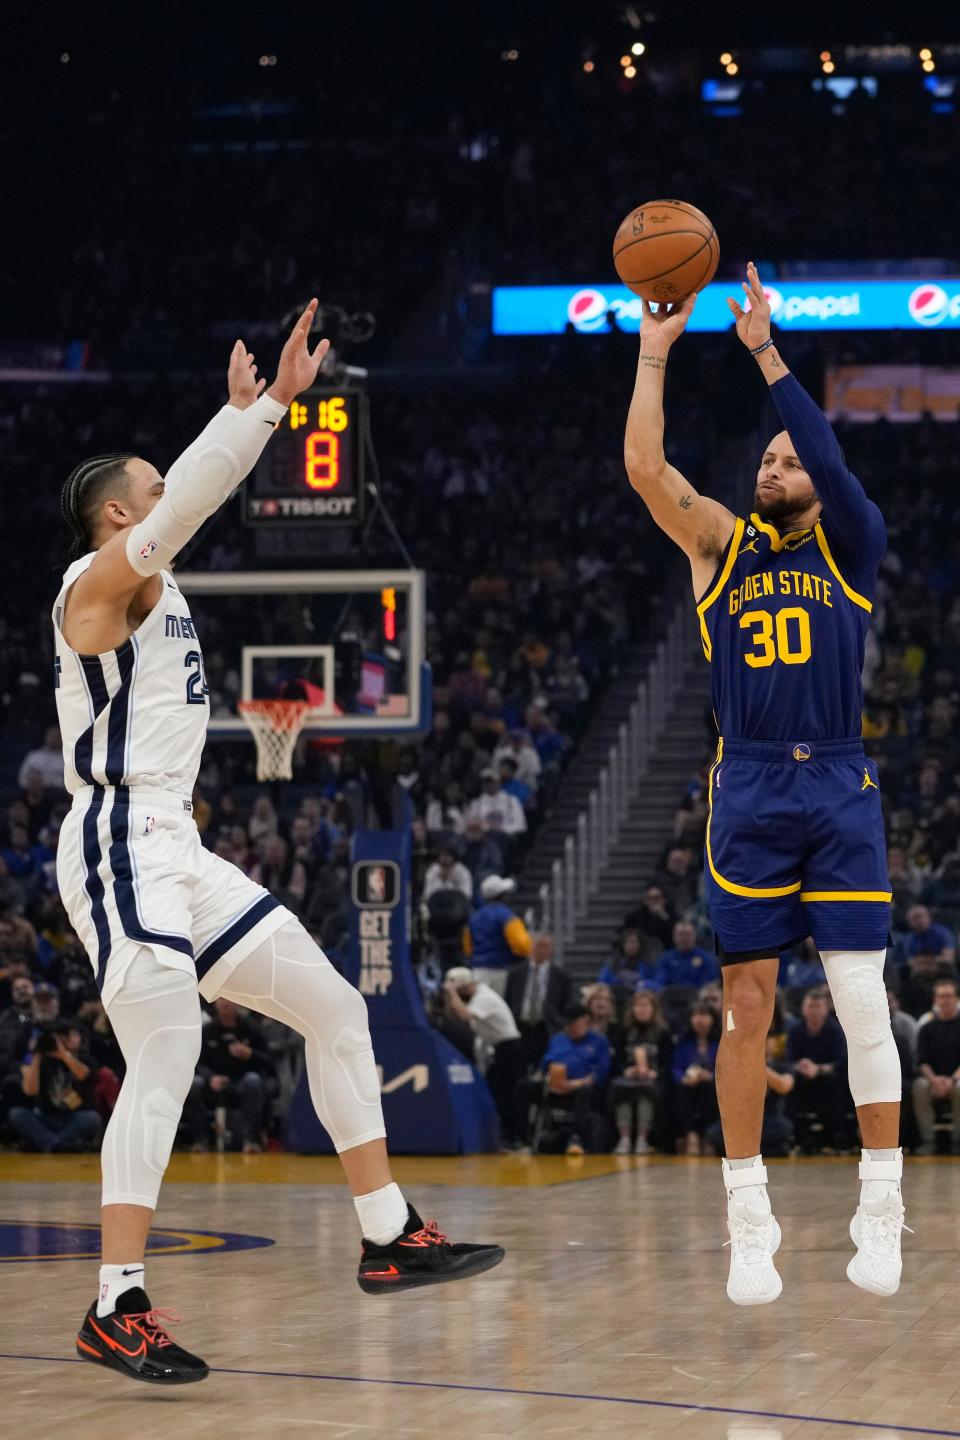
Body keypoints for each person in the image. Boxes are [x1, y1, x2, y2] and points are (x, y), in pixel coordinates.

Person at [53, 305, 503, 1386]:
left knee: (337, 1009)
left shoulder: (161, 590)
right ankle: (116, 1304)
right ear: (119, 514)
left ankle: (389, 1232)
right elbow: (189, 506)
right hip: (115, 836)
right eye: (155, 491)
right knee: (168, 1047)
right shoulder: (90, 589)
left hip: (179, 845)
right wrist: (264, 412)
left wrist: (261, 416)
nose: (174, 501)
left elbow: (192, 504)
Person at [625, 262, 905, 1304]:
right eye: (768, 458)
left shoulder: (854, 547)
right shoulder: (721, 550)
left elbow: (827, 453)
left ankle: (881, 1212)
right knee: (745, 1009)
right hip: (747, 788)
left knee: (861, 1001)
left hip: (837, 782)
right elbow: (647, 467)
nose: (776, 465)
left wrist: (767, 355)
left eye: (790, 458)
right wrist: (657, 348)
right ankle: (751, 1217)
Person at [442, 967, 525, 1147]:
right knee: (494, 1090)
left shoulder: (484, 997)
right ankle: (506, 1135)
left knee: (505, 1093)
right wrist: (451, 997)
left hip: (509, 1047)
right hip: (499, 1048)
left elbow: (464, 1015)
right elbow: (452, 1015)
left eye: (460, 992)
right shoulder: (476, 998)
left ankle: (515, 1137)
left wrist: (451, 992)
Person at [183, 998, 275, 1153]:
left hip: (241, 1081)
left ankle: (251, 1140)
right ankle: (200, 1140)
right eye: (220, 1000)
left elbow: (269, 1062)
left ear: (237, 1004)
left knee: (253, 1081)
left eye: (228, 1000)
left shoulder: (251, 1029)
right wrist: (210, 1077)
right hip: (213, 1083)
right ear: (215, 1004)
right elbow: (197, 1062)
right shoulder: (207, 1031)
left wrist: (250, 1054)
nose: (225, 1004)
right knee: (194, 1084)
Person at [9, 1021, 103, 1153]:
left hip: (72, 1117)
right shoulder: (39, 1062)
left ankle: (49, 1143)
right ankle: (60, 1144)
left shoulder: (84, 1059)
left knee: (92, 1118)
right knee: (17, 1114)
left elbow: (83, 1075)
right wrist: (37, 1055)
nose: (63, 1040)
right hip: (44, 1117)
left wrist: (63, 1054)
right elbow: (30, 1091)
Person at [540, 1004, 612, 1155]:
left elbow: (600, 1072)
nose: (572, 1027)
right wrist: (553, 1077)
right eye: (569, 1023)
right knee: (524, 1087)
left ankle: (575, 1137)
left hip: (585, 1086)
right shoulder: (558, 1039)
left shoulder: (599, 1041)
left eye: (576, 1023)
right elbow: (546, 1063)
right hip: (556, 1084)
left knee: (583, 1092)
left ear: (586, 1021)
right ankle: (525, 1135)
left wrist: (576, 1083)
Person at [786, 990, 848, 1153]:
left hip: (828, 1076)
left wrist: (818, 1069)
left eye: (818, 1006)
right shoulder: (795, 1030)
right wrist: (803, 1066)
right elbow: (790, 1060)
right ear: (803, 1009)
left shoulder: (835, 1030)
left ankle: (836, 1137)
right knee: (789, 1084)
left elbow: (840, 1061)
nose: (813, 1010)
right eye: (810, 1006)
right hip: (802, 1075)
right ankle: (792, 1136)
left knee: (835, 1084)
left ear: (826, 1009)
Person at [610, 989, 667, 1154]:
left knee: (645, 1094)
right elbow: (617, 1059)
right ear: (632, 1009)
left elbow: (667, 1062)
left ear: (653, 1009)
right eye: (638, 1006)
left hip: (651, 1080)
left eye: (645, 1006)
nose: (641, 1009)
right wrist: (627, 1070)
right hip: (628, 1080)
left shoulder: (662, 1034)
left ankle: (642, 1138)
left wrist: (654, 1073)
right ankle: (625, 1137)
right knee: (623, 1093)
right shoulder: (623, 1032)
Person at [505, 931, 571, 1071]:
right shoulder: (516, 973)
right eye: (537, 946)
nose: (541, 950)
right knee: (517, 1069)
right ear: (531, 947)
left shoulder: (561, 976)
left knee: (543, 1069)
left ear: (551, 950)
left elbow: (566, 1005)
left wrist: (560, 1024)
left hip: (546, 1029)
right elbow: (508, 1000)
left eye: (545, 946)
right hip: (520, 1027)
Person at [912, 978, 960, 1154]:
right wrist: (934, 1080)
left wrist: (952, 1080)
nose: (944, 1000)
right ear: (935, 1000)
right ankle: (928, 1141)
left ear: (956, 999)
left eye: (948, 996)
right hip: (932, 1079)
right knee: (919, 1086)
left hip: (957, 1078)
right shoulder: (926, 1028)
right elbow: (921, 1060)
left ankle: (957, 1141)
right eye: (940, 996)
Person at [464, 875, 532, 995]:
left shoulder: (474, 917)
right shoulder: (507, 916)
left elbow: (468, 947)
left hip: (478, 970)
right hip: (501, 971)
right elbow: (521, 945)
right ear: (503, 895)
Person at [670, 1003, 720, 1155]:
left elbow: (726, 1068)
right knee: (682, 1089)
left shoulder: (720, 1042)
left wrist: (710, 1076)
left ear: (712, 1019)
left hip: (713, 1083)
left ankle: (708, 1136)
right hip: (689, 1082)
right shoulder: (684, 1042)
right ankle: (691, 1135)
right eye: (696, 1015)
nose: (700, 1019)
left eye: (704, 1015)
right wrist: (683, 1078)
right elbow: (675, 1067)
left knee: (709, 1089)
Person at [653, 921, 719, 990]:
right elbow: (659, 983)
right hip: (672, 997)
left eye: (687, 934)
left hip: (697, 997)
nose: (684, 938)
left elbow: (712, 983)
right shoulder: (666, 958)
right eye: (680, 934)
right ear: (674, 936)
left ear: (694, 935)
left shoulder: (706, 958)